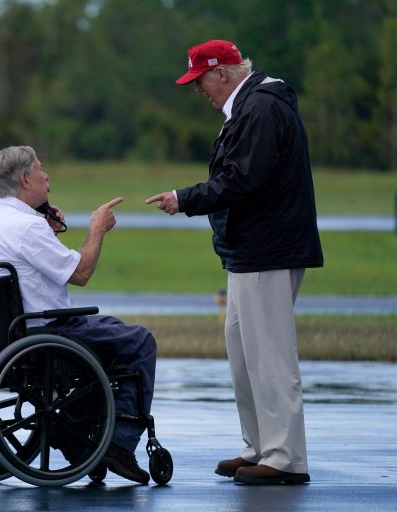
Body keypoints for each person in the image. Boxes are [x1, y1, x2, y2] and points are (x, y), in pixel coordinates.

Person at [145, 40, 323, 485]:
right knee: (245, 351)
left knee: (270, 356)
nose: (198, 90)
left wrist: (185, 198)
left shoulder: (259, 108)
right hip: (253, 250)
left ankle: (285, 458)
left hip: (268, 248)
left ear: (222, 73)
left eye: (200, 80)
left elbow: (242, 179)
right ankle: (260, 446)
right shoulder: (251, 106)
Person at [0, 145, 158, 485]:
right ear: (25, 180)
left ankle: (76, 435)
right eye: (41, 170)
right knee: (140, 341)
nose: (47, 175)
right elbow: (80, 273)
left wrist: (49, 231)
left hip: (4, 336)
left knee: (112, 328)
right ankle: (118, 442)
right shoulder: (27, 226)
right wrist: (97, 229)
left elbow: (25, 265)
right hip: (47, 332)